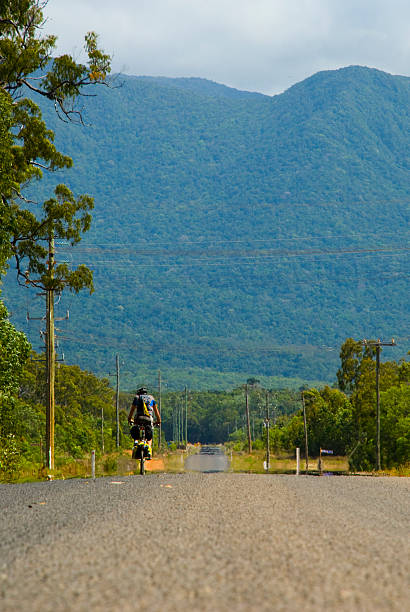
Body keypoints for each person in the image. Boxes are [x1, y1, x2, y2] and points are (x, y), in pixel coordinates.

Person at [128, 387, 161, 459]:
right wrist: (158, 421)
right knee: (149, 434)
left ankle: (136, 443)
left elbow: (132, 410)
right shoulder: (151, 398)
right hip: (149, 419)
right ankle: (149, 449)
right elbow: (156, 411)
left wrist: (130, 419)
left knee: (136, 428)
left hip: (138, 418)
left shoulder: (137, 398)